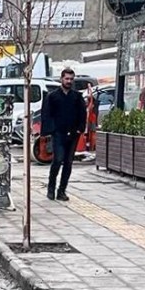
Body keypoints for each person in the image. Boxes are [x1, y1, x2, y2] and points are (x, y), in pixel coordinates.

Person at [40, 68, 87, 201]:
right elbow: (46, 114)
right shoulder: (53, 96)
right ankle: (51, 187)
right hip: (58, 133)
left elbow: (82, 114)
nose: (69, 81)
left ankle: (62, 190)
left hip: (73, 134)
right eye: (66, 79)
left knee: (68, 162)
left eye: (71, 79)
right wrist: (49, 131)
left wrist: (80, 129)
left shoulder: (77, 97)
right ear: (61, 79)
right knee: (58, 160)